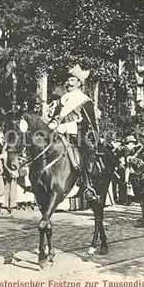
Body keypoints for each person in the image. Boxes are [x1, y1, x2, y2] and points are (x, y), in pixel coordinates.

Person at [47, 64, 100, 204]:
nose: (68, 83)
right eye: (68, 80)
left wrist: (65, 127)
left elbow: (89, 123)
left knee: (84, 155)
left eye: (72, 80)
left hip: (77, 134)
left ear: (78, 83)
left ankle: (88, 187)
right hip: (59, 133)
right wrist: (51, 126)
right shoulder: (62, 99)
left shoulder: (85, 101)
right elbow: (55, 118)